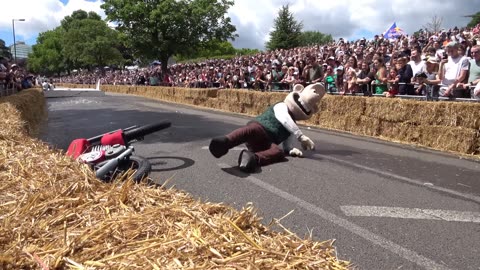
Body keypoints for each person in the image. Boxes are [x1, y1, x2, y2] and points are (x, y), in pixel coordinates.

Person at [208, 83, 326, 173]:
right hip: (259, 128)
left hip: (267, 143)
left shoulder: (292, 124)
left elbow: (287, 140)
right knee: (249, 131)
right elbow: (284, 118)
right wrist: (300, 136)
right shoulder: (281, 106)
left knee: (278, 152)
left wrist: (290, 150)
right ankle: (224, 143)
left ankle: (253, 159)